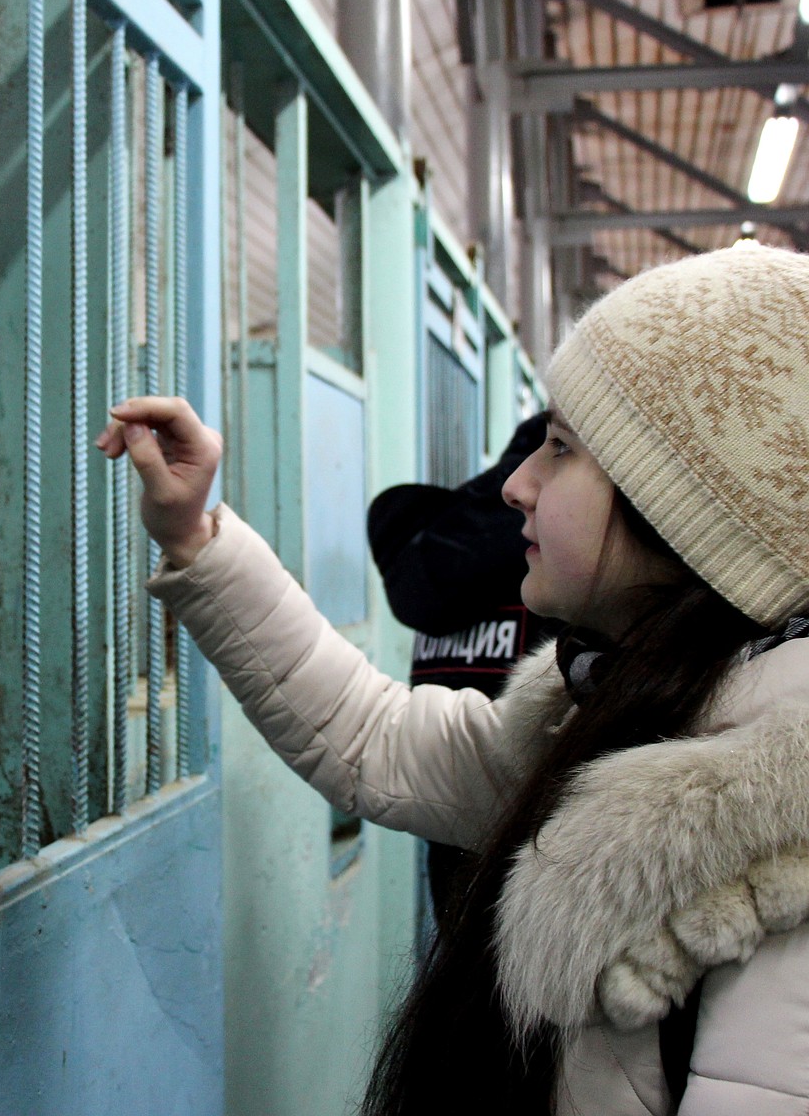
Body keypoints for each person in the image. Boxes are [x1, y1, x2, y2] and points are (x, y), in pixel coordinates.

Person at [95, 242, 809, 1114]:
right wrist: (195, 535)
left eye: (558, 449)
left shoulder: (777, 860)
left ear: (682, 504)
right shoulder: (620, 718)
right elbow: (372, 739)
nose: (515, 485)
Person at [367, 413, 559, 934]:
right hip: (552, 890)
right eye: (560, 445)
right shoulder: (553, 566)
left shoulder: (438, 546)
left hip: (454, 876)